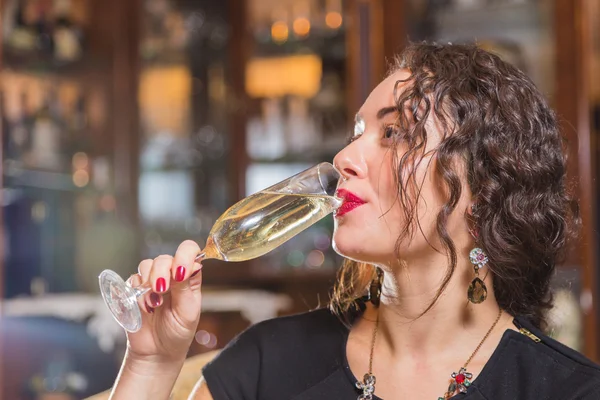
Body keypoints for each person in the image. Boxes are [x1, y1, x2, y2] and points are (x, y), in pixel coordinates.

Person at [108, 42, 600, 400]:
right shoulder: (266, 363)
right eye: (358, 132)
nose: (345, 156)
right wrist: (152, 363)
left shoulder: (566, 389)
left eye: (394, 133)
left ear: (483, 189)